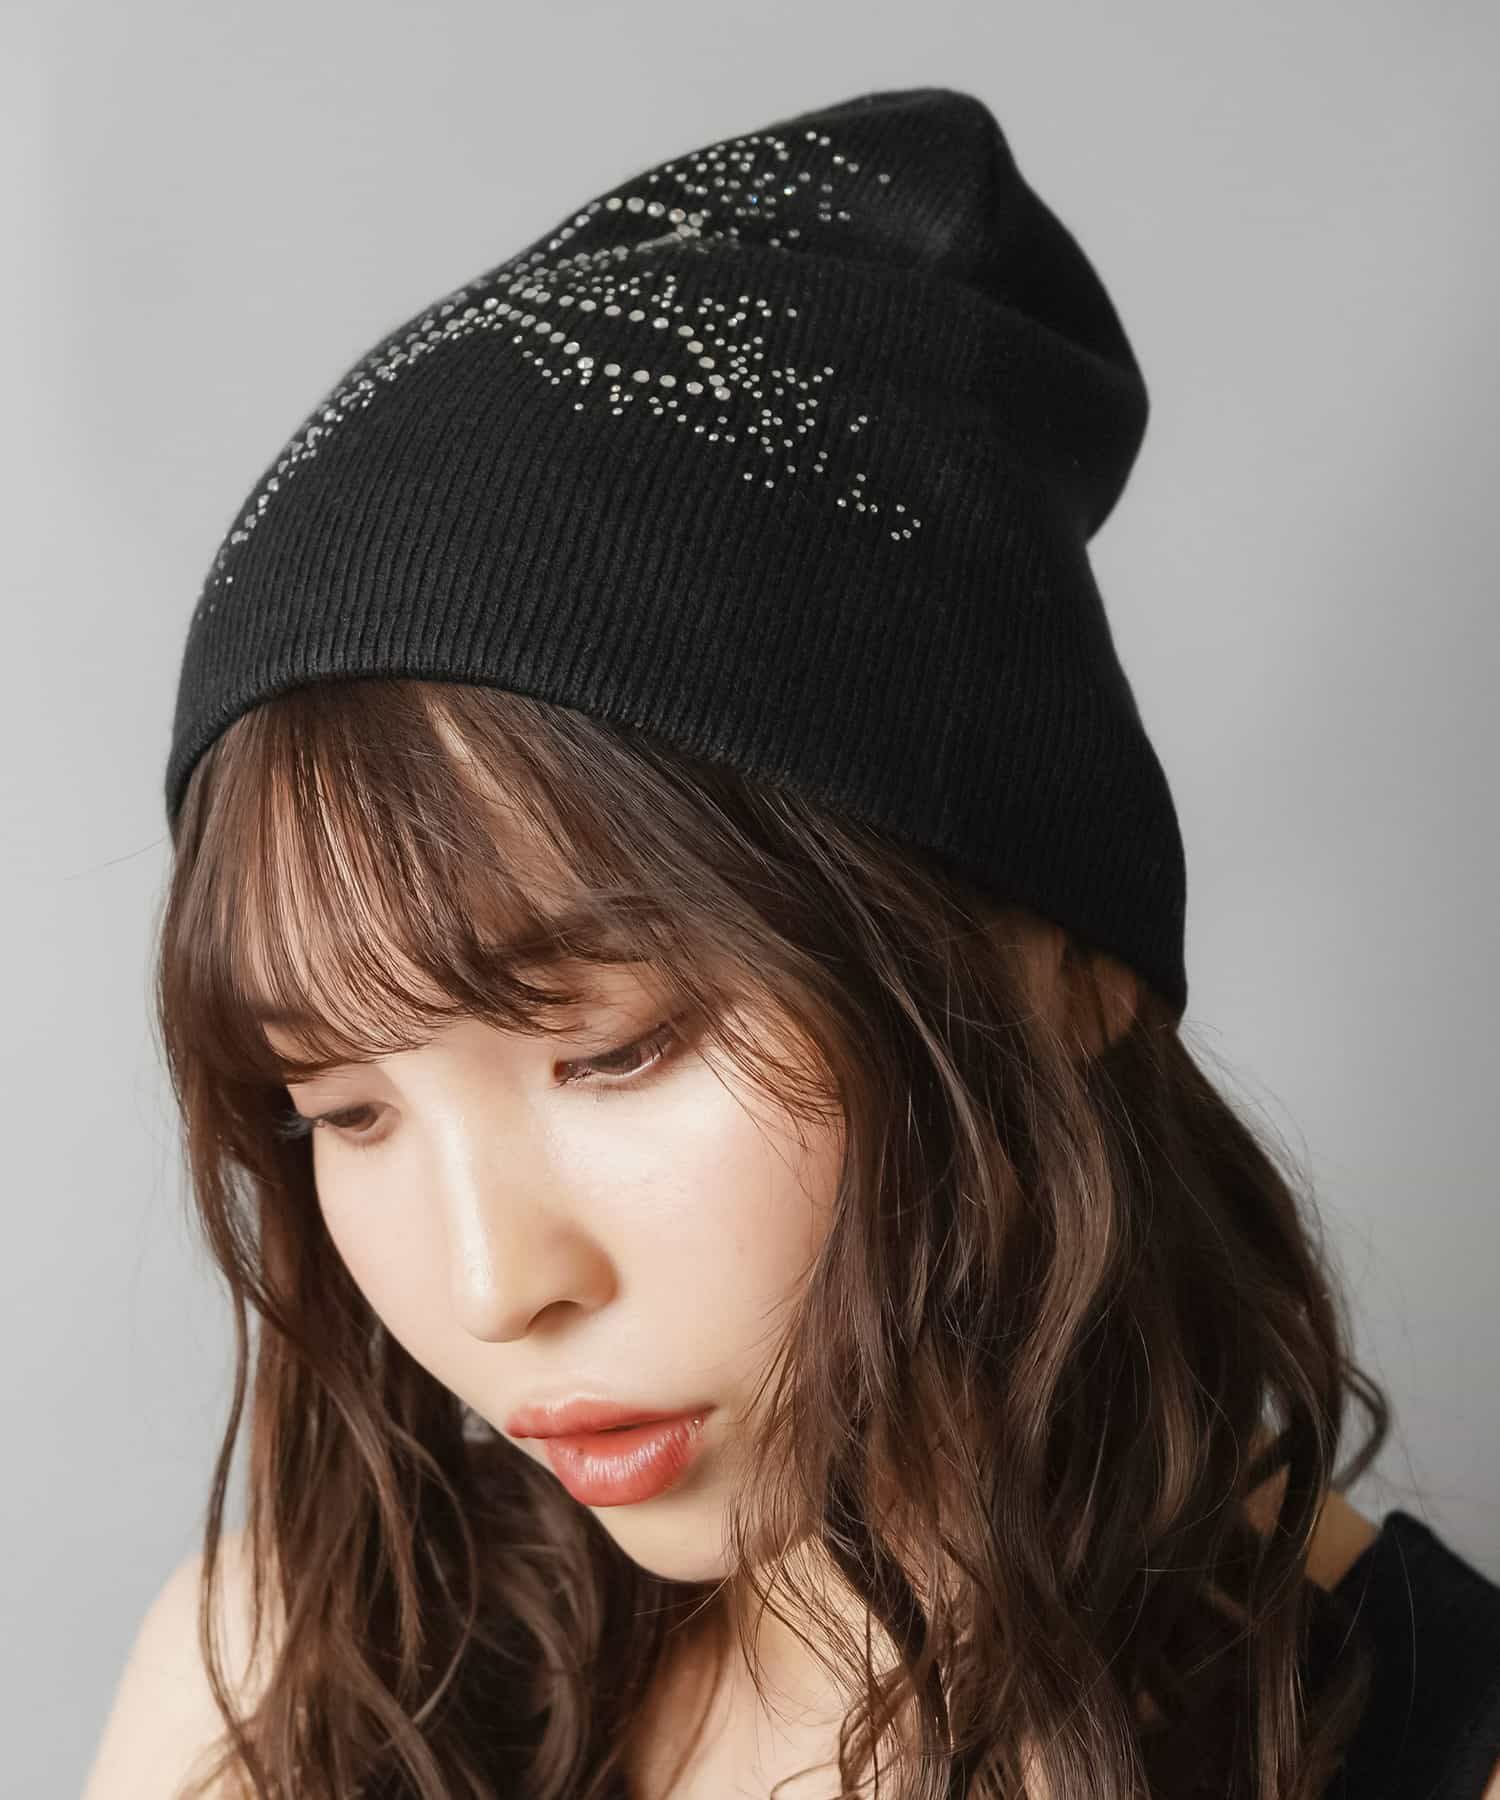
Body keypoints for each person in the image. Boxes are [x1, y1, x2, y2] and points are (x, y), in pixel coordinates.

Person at [82, 84, 1500, 1800]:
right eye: (344, 1110)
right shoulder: (279, 1685)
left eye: (615, 1050)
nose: (491, 1285)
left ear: (1061, 956)